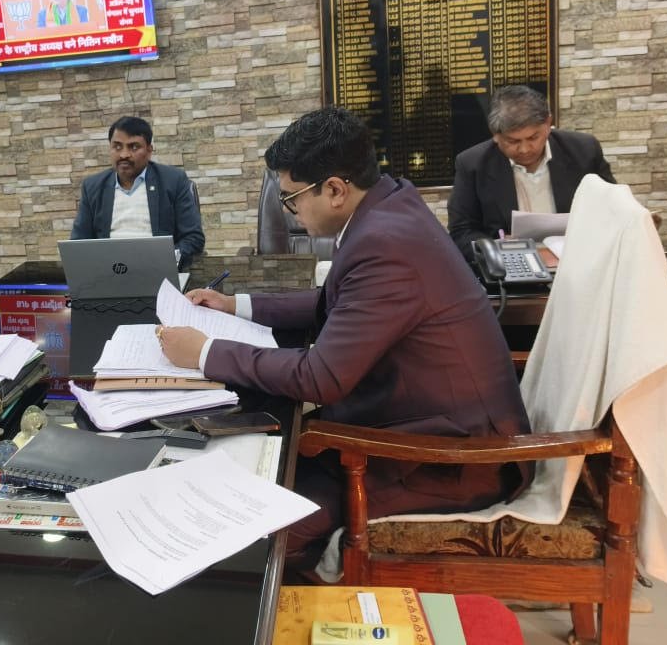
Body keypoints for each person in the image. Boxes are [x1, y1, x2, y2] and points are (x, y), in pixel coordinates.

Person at [157, 106, 532, 572]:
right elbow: (338, 301)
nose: (290, 213)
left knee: (253, 532)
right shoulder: (391, 205)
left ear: (335, 189)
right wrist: (237, 305)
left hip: (446, 460)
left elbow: (322, 378)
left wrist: (206, 352)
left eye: (291, 199)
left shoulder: (384, 243)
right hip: (413, 423)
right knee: (255, 461)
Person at [447, 85, 615, 262]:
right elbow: (461, 231)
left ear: (548, 123)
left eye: (533, 138)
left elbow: (614, 212)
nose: (525, 149)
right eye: (513, 141)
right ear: (495, 134)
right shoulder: (473, 164)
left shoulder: (584, 150)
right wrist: (496, 247)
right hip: (510, 266)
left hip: (579, 259)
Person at [71, 116, 205, 268]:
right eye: (117, 147)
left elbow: (193, 238)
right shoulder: (92, 186)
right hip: (108, 271)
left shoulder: (173, 181)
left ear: (149, 150)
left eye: (133, 147)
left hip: (158, 269)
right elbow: (78, 243)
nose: (124, 154)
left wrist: (166, 260)